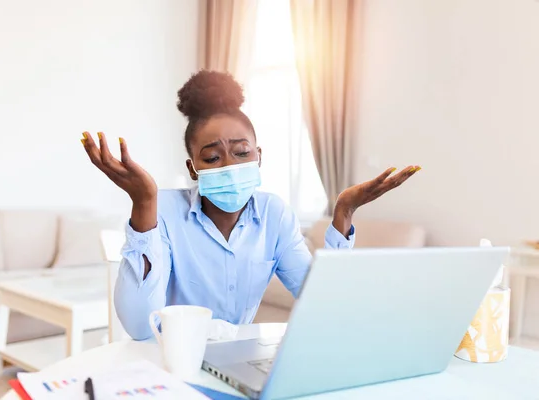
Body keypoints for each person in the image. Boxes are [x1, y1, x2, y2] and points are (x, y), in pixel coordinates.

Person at [81, 70, 420, 340]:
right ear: (193, 169)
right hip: (169, 363)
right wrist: (143, 203)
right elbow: (141, 328)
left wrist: (343, 212)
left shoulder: (274, 214)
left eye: (241, 152)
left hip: (238, 364)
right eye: (212, 157)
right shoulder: (163, 211)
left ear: (259, 157)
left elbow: (325, 303)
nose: (228, 165)